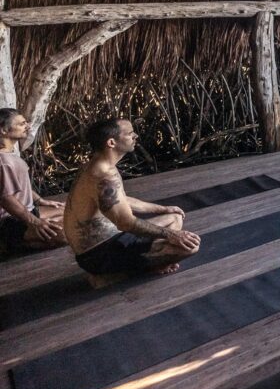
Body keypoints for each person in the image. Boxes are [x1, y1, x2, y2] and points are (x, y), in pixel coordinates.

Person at [64, 119, 200, 276]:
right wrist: (171, 234)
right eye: (129, 133)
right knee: (189, 247)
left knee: (175, 217)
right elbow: (125, 223)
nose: (135, 136)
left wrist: (162, 208)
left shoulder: (98, 165)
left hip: (115, 238)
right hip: (99, 255)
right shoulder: (102, 175)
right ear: (111, 142)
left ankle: (151, 259)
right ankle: (141, 266)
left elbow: (119, 199)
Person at [0, 108, 65, 252]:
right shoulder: (3, 162)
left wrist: (40, 200)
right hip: (10, 221)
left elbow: (21, 186)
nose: (27, 126)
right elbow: (5, 198)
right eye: (21, 124)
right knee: (66, 235)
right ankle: (10, 243)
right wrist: (35, 222)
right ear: (4, 131)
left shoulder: (10, 154)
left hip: (27, 211)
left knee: (72, 210)